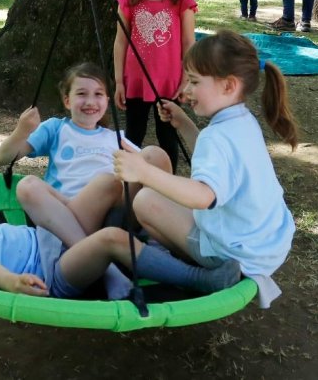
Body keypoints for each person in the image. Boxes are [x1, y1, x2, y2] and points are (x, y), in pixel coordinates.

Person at [113, 29, 297, 307]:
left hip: (235, 255)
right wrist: (184, 124)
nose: (187, 90)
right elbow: (218, 163)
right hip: (266, 246)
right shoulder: (244, 121)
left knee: (145, 201)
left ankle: (199, 276)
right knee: (159, 201)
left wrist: (144, 172)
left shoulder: (217, 137)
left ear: (228, 85)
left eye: (195, 81)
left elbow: (204, 196)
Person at [0, 173, 241, 300]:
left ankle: (153, 243)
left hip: (53, 235)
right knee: (110, 237)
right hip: (54, 270)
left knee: (108, 183)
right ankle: (197, 279)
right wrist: (12, 282)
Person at [0, 62, 173, 297]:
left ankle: (160, 241)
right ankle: (108, 270)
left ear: (107, 101)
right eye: (81, 94)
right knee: (28, 185)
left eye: (98, 94)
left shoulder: (115, 137)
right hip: (70, 217)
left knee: (154, 155)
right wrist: (22, 130)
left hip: (115, 216)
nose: (90, 101)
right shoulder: (56, 129)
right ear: (67, 100)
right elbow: (3, 157)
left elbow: (149, 168)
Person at [114, 0, 197, 171]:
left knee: (168, 136)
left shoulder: (182, 0)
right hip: (136, 81)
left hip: (170, 82)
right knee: (133, 134)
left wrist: (186, 79)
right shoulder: (128, 1)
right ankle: (127, 181)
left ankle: (168, 182)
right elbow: (120, 42)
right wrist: (119, 81)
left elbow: (189, 43)